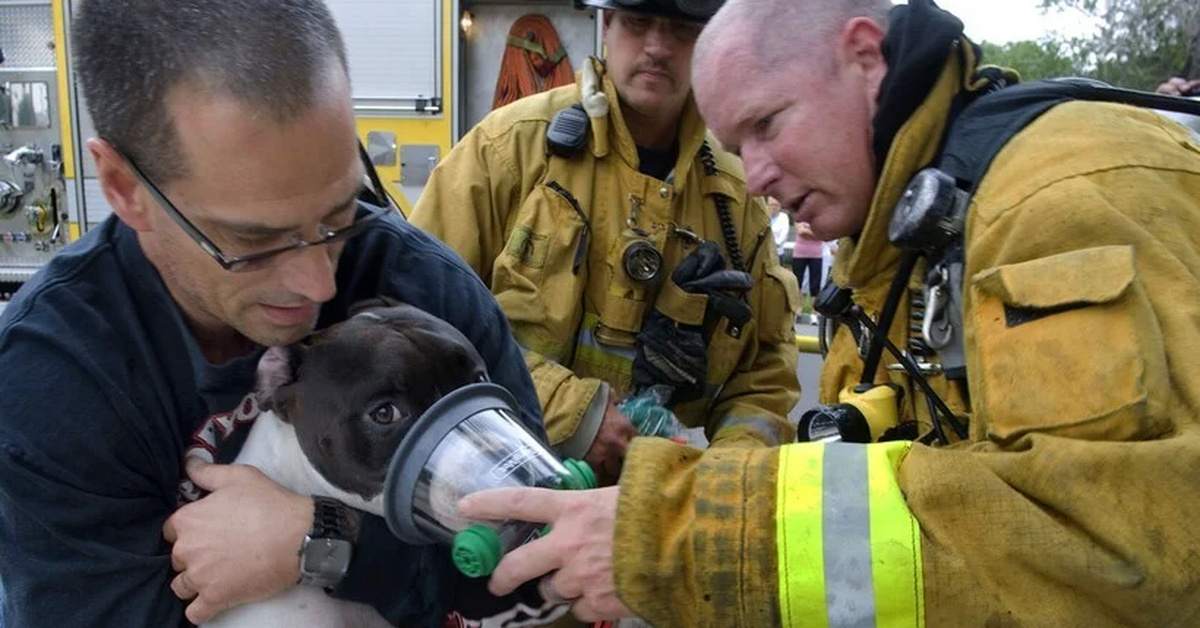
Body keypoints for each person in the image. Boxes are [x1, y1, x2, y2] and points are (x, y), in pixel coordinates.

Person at [454, 0, 1200, 625]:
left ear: (866, 57)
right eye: (741, 142)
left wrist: (671, 532)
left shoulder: (1060, 199)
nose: (760, 182)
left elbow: (1106, 544)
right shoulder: (895, 239)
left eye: (769, 125)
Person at [0, 1, 546, 626]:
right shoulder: (56, 377)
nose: (317, 282)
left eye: (341, 214)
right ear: (124, 187)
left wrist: (327, 542)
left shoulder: (423, 289)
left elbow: (535, 564)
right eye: (256, 242)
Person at [410, 0, 800, 480]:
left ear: (708, 40)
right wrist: (573, 412)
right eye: (638, 21)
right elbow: (418, 317)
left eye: (680, 29)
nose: (657, 47)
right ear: (607, 25)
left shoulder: (736, 197)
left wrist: (721, 482)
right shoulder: (509, 150)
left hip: (643, 506)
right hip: (495, 484)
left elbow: (765, 376)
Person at [790, 221, 823, 325]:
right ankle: (797, 310)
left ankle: (814, 314)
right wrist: (814, 232)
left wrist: (807, 231)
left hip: (816, 254)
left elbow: (822, 235)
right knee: (797, 283)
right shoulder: (800, 217)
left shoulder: (820, 219)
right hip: (800, 253)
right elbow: (800, 231)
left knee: (815, 285)